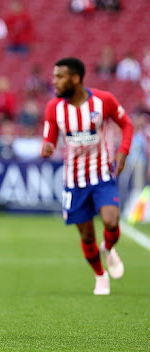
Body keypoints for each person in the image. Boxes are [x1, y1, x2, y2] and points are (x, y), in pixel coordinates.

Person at [41, 57, 133, 295]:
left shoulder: (104, 100)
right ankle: (100, 276)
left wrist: (122, 153)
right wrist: (47, 147)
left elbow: (127, 125)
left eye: (59, 77)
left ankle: (109, 247)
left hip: (102, 175)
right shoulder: (54, 107)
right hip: (74, 182)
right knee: (86, 234)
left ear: (75, 78)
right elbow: (49, 138)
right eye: (54, 77)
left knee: (112, 221)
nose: (55, 82)